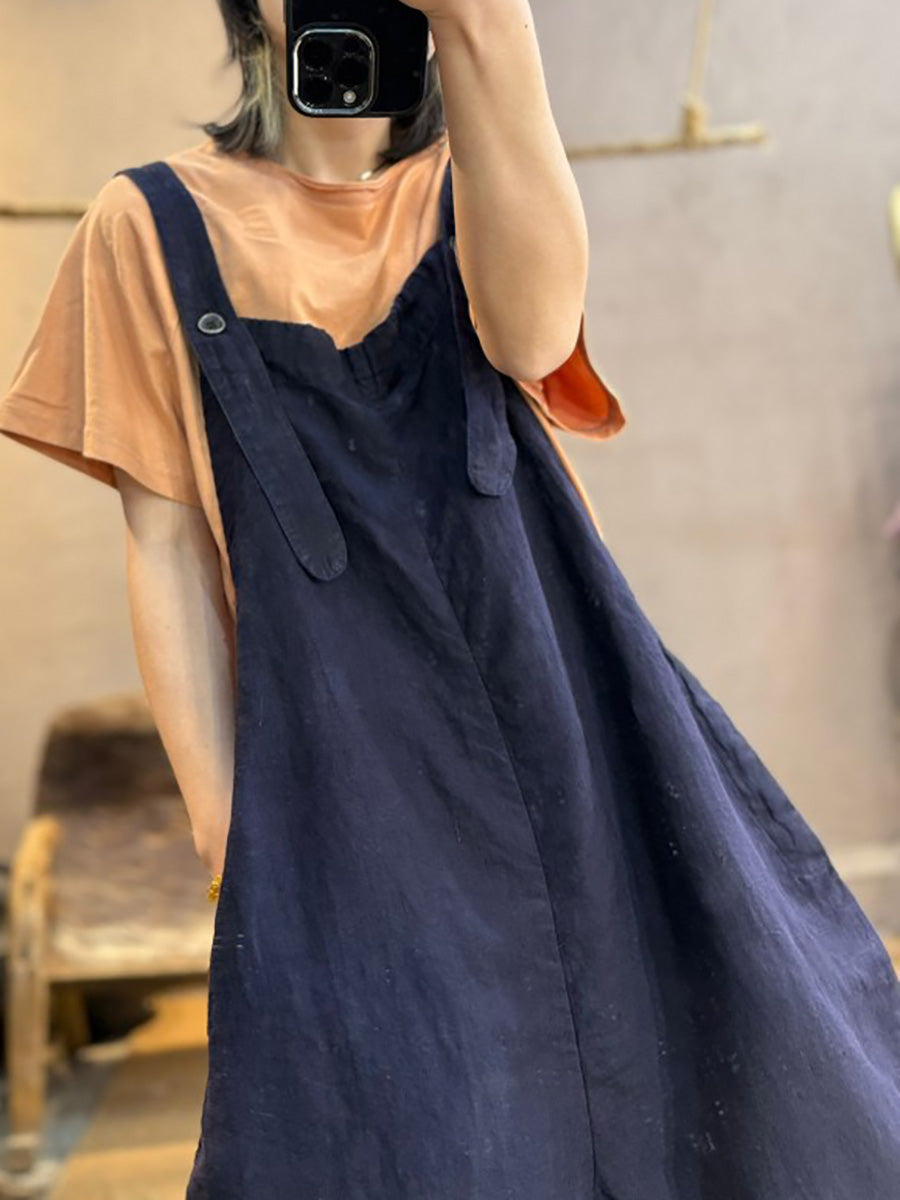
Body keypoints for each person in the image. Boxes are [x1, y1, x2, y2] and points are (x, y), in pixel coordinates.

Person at [2, 2, 899, 1196]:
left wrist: (490, 28)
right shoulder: (147, 227)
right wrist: (232, 842)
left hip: (575, 739)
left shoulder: (474, 177)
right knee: (419, 1133)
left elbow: (532, 335)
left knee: (721, 1086)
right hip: (344, 785)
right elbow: (161, 547)